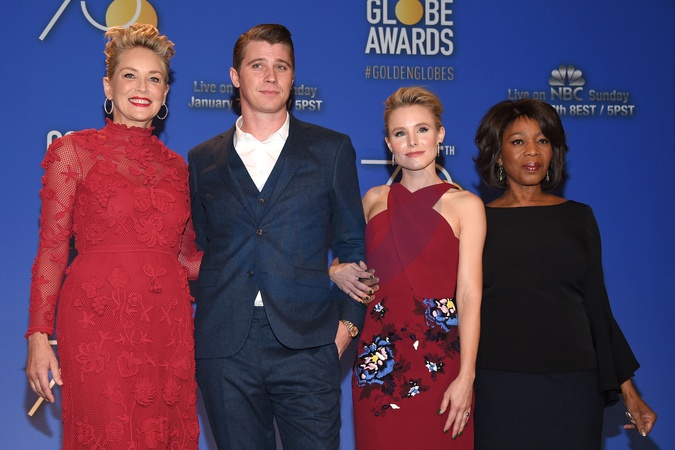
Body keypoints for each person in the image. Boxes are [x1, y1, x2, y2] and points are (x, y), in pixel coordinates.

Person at [188, 24, 375, 449]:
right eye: (258, 65)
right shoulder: (202, 159)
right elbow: (199, 249)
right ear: (235, 76)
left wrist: (346, 328)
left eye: (282, 66)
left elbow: (352, 245)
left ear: (293, 77)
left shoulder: (331, 150)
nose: (271, 76)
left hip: (309, 344)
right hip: (225, 349)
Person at [25, 24, 202, 449]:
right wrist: (38, 336)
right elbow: (51, 250)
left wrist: (255, 255)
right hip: (98, 323)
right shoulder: (73, 152)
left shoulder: (180, 168)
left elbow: (185, 260)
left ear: (165, 93)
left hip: (167, 328)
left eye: (154, 78)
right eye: (129, 75)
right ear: (108, 85)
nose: (142, 87)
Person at [472, 98, 657, 449]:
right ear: (497, 154)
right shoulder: (476, 220)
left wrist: (630, 393)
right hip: (496, 386)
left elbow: (597, 308)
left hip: (573, 387)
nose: (533, 151)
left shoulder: (578, 217)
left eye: (543, 141)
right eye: (518, 141)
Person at [351, 86, 485, 449]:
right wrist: (334, 271)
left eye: (422, 129)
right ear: (389, 144)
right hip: (378, 360)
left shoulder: (467, 205)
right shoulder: (373, 200)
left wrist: (467, 377)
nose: (412, 141)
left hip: (441, 361)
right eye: (400, 133)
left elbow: (469, 296)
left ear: (440, 135)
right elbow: (344, 262)